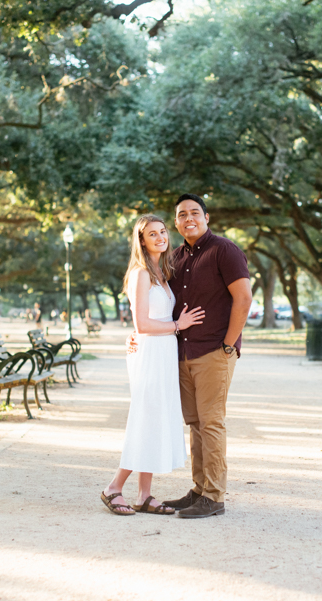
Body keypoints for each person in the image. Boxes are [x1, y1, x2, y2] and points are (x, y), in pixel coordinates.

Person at [132, 194, 251, 519]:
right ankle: (199, 489)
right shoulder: (176, 257)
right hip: (183, 354)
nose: (188, 218)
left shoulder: (224, 250)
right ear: (177, 222)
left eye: (194, 213)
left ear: (206, 217)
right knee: (196, 424)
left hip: (214, 351)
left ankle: (214, 496)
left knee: (211, 423)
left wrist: (229, 344)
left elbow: (243, 299)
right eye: (182, 215)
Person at [101, 215, 205, 516]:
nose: (160, 237)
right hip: (149, 354)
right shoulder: (140, 273)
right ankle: (113, 488)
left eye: (162, 232)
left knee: (156, 418)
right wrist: (178, 324)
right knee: (145, 419)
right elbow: (142, 324)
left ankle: (145, 495)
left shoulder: (162, 271)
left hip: (164, 353)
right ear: (142, 240)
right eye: (152, 234)